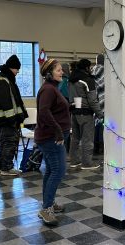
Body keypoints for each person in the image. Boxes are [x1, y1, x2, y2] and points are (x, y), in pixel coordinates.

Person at [35, 58, 71, 225]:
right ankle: (46, 209)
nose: (61, 72)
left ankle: (49, 203)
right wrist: (58, 131)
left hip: (52, 136)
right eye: (58, 70)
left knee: (51, 170)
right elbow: (43, 112)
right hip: (51, 138)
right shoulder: (49, 89)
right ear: (49, 73)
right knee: (58, 170)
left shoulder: (52, 88)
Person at [0, 54, 28, 176]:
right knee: (10, 143)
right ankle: (7, 167)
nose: (18, 71)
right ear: (11, 68)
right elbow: (6, 103)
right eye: (17, 69)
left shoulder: (6, 80)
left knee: (4, 143)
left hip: (5, 120)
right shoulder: (3, 81)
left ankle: (0, 167)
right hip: (6, 121)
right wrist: (13, 120)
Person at [68, 59, 103, 169]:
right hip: (85, 113)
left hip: (74, 113)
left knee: (75, 138)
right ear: (87, 67)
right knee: (87, 139)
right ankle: (87, 163)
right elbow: (92, 100)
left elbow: (74, 97)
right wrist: (100, 114)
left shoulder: (71, 79)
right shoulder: (88, 80)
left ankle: (74, 161)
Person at [92, 54, 105, 154]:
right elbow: (105, 85)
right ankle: (101, 145)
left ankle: (96, 145)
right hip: (103, 98)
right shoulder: (105, 71)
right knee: (102, 124)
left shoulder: (92, 70)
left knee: (96, 123)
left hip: (95, 99)